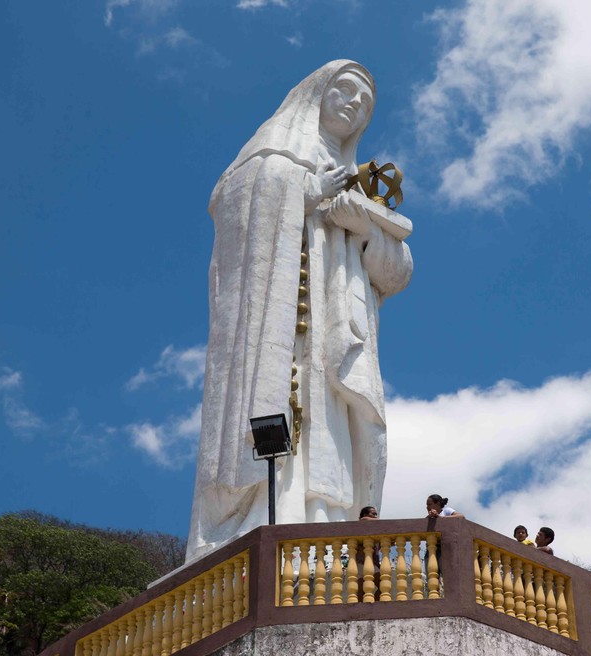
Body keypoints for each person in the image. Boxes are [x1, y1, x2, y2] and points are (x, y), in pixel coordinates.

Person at [185, 60, 414, 563]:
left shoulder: (361, 182)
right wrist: (307, 194)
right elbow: (232, 199)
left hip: (341, 326)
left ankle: (331, 532)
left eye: (366, 103)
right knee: (282, 419)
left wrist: (367, 228)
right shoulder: (273, 154)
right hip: (282, 322)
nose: (355, 104)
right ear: (315, 94)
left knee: (340, 424)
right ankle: (272, 522)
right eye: (346, 90)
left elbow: (395, 274)